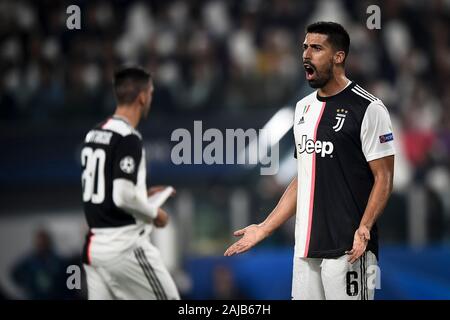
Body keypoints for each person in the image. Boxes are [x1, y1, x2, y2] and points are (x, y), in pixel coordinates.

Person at [225, 22, 395, 300]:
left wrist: (364, 227)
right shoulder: (303, 108)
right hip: (305, 249)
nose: (306, 54)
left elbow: (384, 178)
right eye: (305, 47)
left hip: (349, 248)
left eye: (316, 48)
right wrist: (264, 227)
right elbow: (306, 175)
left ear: (338, 56)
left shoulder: (369, 108)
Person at [81, 66, 179, 300]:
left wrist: (142, 193)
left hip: (94, 248)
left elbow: (105, 192)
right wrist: (155, 213)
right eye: (151, 93)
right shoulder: (128, 138)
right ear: (143, 97)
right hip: (123, 247)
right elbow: (123, 196)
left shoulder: (94, 133)